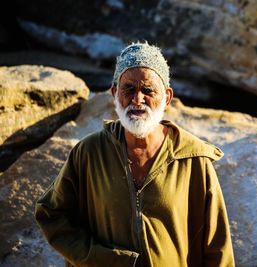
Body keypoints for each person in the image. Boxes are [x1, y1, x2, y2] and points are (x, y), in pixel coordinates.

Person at [35, 41, 235, 267]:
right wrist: (101, 260)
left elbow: (217, 247)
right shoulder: (89, 153)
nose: (137, 99)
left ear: (167, 97)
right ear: (114, 93)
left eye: (148, 90)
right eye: (128, 89)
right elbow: (50, 214)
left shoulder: (193, 160)